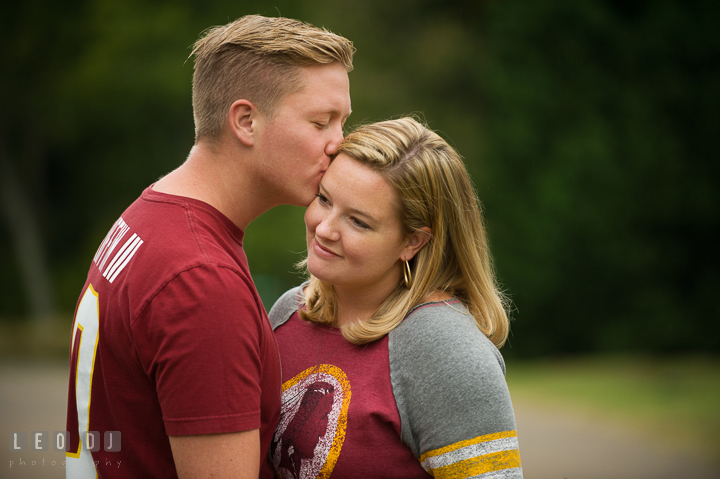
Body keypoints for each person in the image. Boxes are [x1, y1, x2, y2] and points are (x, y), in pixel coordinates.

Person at [65, 15, 353, 479]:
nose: (339, 144)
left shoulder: (151, 217)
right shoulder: (200, 281)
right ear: (245, 121)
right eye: (322, 122)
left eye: (344, 121)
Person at [268, 117, 523, 478]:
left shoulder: (446, 351)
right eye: (324, 199)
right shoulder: (287, 314)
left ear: (412, 242)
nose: (324, 229)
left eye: (358, 222)